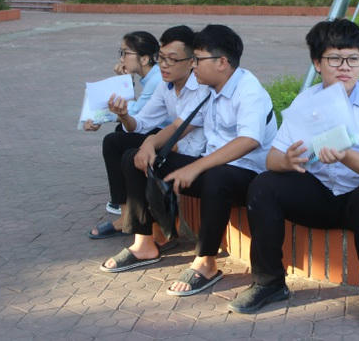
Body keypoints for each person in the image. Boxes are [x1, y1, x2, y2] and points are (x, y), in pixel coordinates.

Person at [229, 19, 359, 332]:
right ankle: (269, 282)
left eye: (353, 59)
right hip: (320, 193)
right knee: (264, 186)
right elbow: (271, 159)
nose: (345, 67)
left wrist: (345, 154)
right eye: (334, 59)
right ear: (317, 63)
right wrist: (288, 160)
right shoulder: (305, 102)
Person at [100, 25, 277, 299]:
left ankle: (206, 262)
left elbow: (249, 140)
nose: (193, 66)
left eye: (198, 59)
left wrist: (196, 166)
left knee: (216, 176)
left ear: (221, 62)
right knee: (134, 158)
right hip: (212, 168)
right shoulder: (211, 89)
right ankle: (144, 243)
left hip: (246, 175)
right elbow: (179, 126)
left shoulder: (248, 90)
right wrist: (149, 145)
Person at [87, 26, 206, 240]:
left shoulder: (201, 88)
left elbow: (180, 130)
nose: (164, 64)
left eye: (172, 59)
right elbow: (141, 123)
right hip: (171, 141)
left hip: (191, 152)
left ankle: (150, 234)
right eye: (161, 58)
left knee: (133, 156)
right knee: (114, 141)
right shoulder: (165, 85)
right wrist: (124, 115)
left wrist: (151, 144)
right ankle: (126, 217)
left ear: (191, 62)